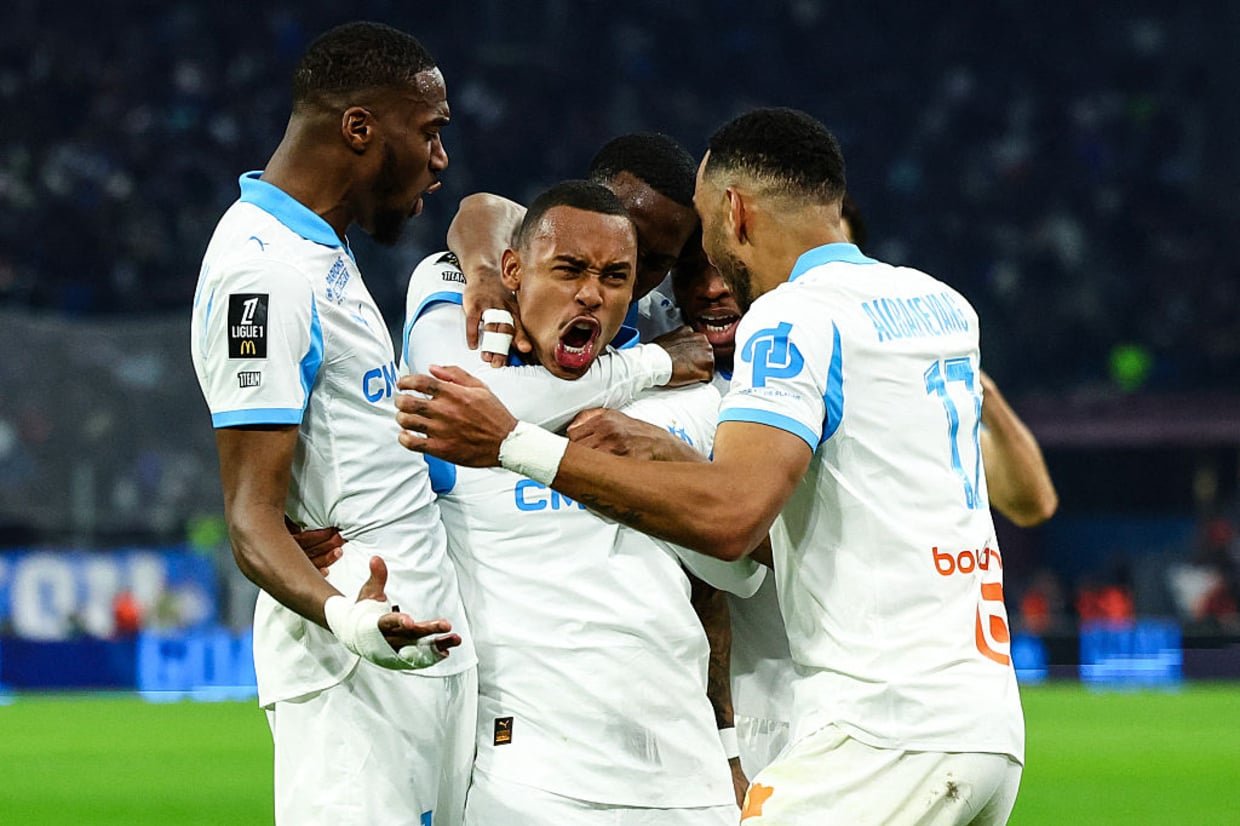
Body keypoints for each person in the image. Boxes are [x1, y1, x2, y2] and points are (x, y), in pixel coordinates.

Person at [395, 107, 1026, 824]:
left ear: (733, 212)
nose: (707, 272)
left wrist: (517, 445)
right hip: (985, 717)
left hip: (880, 728)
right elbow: (488, 212)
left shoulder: (786, 319)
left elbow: (732, 522)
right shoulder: (942, 305)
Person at [189, 22, 475, 826]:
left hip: (413, 643)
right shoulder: (264, 272)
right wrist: (351, 617)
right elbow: (251, 518)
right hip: (356, 663)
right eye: (430, 131)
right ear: (359, 128)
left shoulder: (319, 251)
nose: (440, 159)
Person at [401, 180, 755, 824]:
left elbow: (739, 573)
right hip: (531, 782)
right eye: (569, 269)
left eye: (619, 275)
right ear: (514, 269)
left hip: (688, 782)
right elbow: (482, 213)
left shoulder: (691, 402)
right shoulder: (468, 375)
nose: (592, 292)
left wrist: (668, 465)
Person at [672, 205, 1057, 779]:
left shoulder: (887, 389)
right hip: (762, 707)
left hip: (864, 707)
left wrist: (980, 386)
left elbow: (1033, 501)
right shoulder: (710, 390)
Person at [446, 132, 701, 363]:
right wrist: (486, 274)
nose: (631, 269)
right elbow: (485, 209)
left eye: (656, 263)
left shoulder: (663, 329)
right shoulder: (530, 261)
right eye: (629, 239)